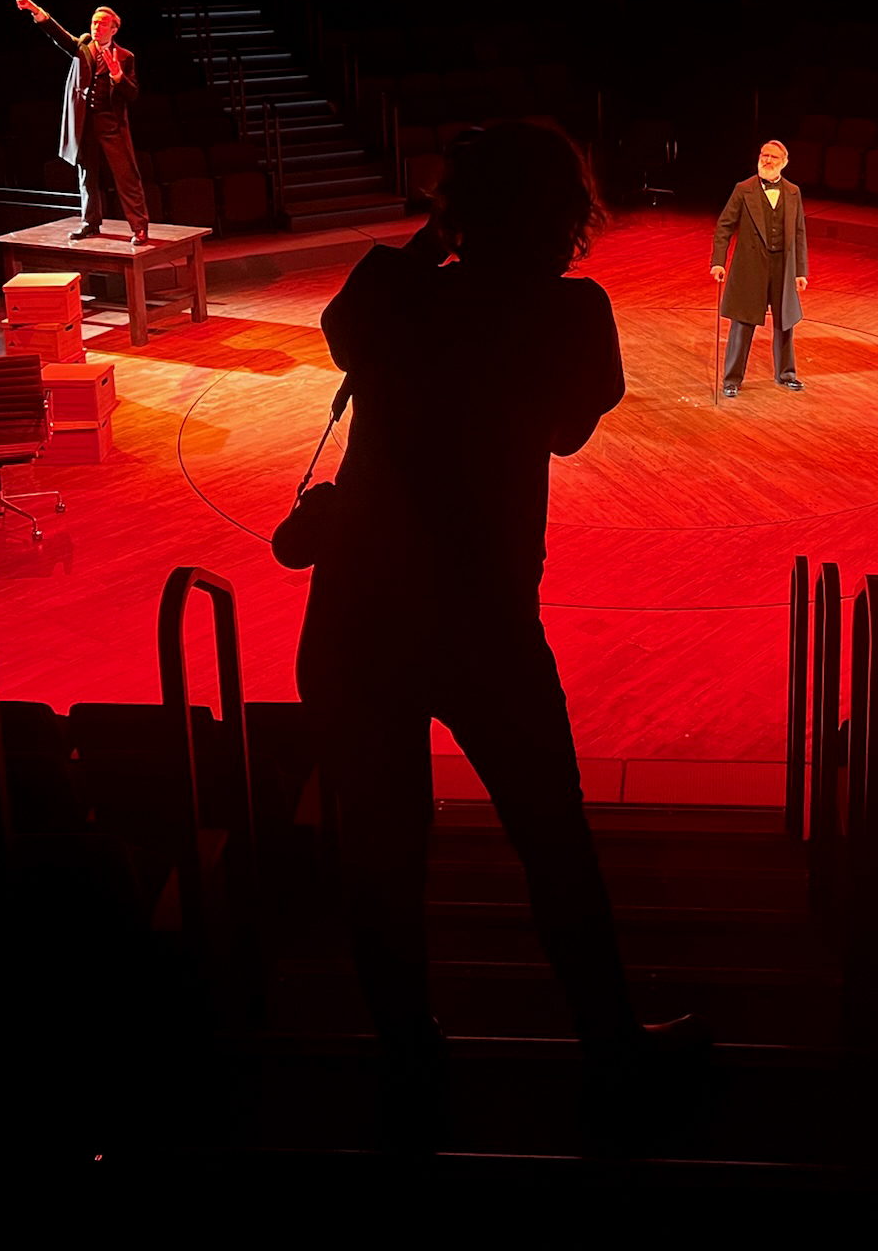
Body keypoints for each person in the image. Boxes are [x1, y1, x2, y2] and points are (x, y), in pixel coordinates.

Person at [281, 120, 704, 1077]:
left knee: (385, 846)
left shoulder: (389, 295)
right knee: (552, 832)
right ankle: (607, 1038)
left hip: (358, 613)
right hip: (485, 617)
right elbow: (565, 434)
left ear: (459, 212)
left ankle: (406, 1054)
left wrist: (446, 233)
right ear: (563, 220)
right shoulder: (572, 315)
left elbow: (351, 327)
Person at [15, 0, 151, 247]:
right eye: (94, 22)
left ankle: (140, 227)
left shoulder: (126, 57)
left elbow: (133, 94)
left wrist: (118, 77)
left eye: (102, 24)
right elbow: (60, 35)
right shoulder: (83, 46)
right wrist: (37, 13)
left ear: (114, 29)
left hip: (110, 125)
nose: (97, 27)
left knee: (126, 176)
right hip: (85, 124)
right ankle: (90, 222)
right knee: (87, 175)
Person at [710, 139, 809, 398]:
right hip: (751, 267)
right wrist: (718, 262)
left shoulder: (793, 192)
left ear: (784, 162)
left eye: (773, 157)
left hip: (782, 267)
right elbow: (724, 226)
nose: (767, 160)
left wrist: (800, 271)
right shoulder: (744, 189)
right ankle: (731, 380)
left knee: (785, 322)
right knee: (742, 324)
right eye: (764, 155)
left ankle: (786, 374)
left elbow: (799, 233)